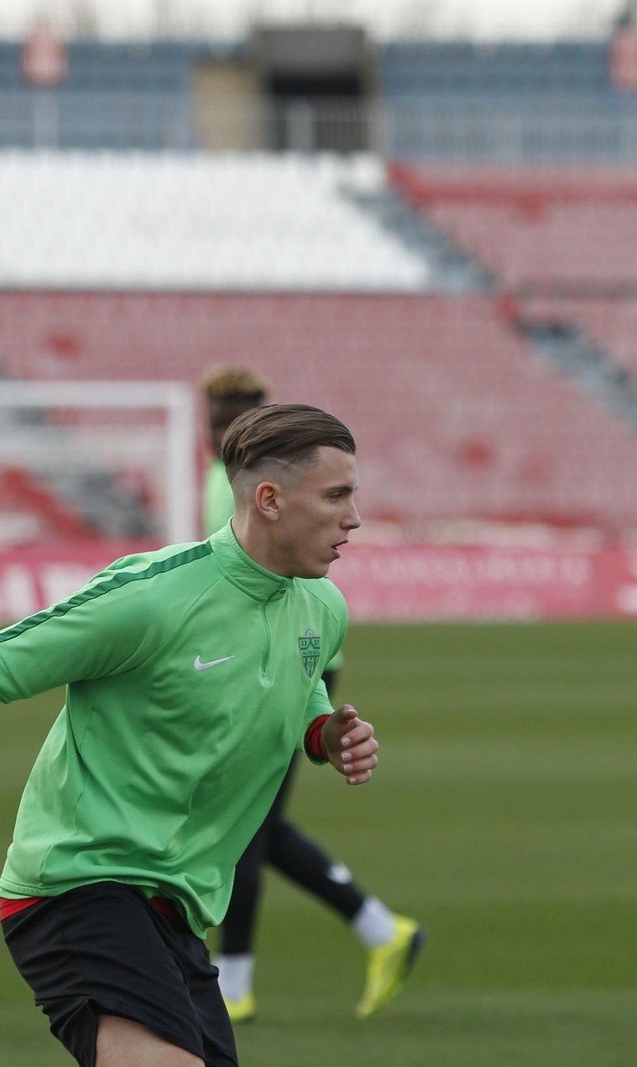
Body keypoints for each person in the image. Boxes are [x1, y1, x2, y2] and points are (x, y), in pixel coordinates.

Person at [0, 403, 384, 1067]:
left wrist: (324, 732)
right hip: (77, 885)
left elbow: (294, 684)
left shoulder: (322, 608)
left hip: (177, 911)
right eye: (337, 495)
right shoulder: (151, 598)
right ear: (269, 499)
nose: (354, 517)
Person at [200, 366, 423, 1023]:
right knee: (259, 823)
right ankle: (383, 929)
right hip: (265, 652)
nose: (219, 429)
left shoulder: (242, 485)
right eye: (215, 417)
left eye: (232, 417)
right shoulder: (224, 480)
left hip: (294, 655)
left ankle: (234, 983)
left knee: (246, 823)